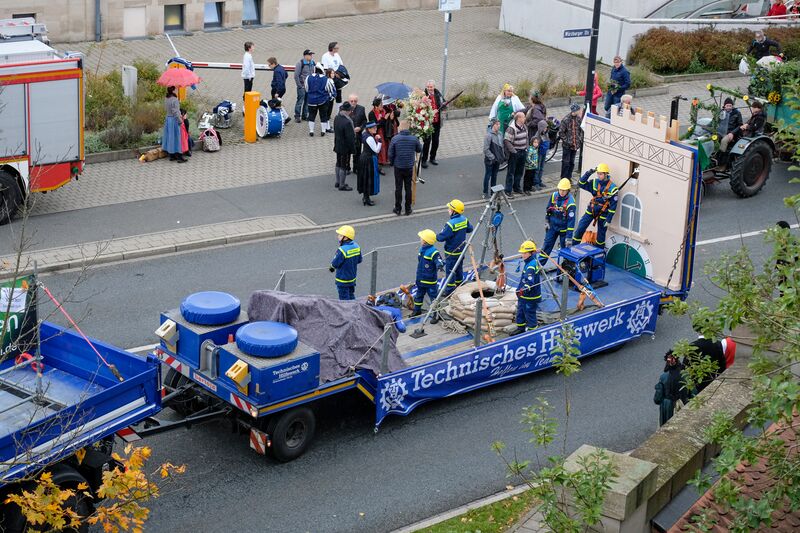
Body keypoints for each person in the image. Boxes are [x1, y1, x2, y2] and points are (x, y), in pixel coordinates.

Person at [572, 164, 619, 248]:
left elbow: (613, 207)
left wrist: (609, 219)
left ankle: (598, 253)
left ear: (606, 174)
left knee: (601, 235)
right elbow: (581, 183)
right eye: (598, 173)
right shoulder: (594, 182)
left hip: (603, 213)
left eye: (601, 174)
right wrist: (589, 172)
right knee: (580, 228)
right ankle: (573, 246)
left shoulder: (613, 188)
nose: (599, 175)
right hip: (592, 209)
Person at [436, 199, 473, 295]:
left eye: (449, 208)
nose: (448, 210)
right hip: (461, 251)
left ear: (454, 211)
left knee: (450, 271)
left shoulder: (450, 224)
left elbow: (441, 237)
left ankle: (449, 290)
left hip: (451, 252)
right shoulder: (464, 219)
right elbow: (470, 229)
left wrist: (435, 236)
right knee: (459, 268)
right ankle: (460, 285)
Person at [389, 120, 422, 216]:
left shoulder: (395, 139)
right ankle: (408, 209)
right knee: (408, 188)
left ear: (400, 128)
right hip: (409, 166)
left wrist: (392, 163)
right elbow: (419, 149)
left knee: (398, 188)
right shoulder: (414, 139)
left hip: (398, 166)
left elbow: (391, 153)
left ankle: (398, 208)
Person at [539, 179, 576, 265]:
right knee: (546, 246)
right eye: (560, 189)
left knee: (566, 250)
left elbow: (571, 222)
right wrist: (546, 221)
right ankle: (540, 265)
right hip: (552, 227)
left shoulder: (571, 204)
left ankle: (567, 267)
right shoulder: (554, 196)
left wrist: (569, 237)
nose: (562, 192)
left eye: (564, 190)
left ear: (568, 190)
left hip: (564, 230)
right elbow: (548, 209)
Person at [411, 229, 444, 319]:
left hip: (429, 280)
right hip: (420, 278)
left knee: (433, 297)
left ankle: (436, 314)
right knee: (419, 295)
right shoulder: (422, 249)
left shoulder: (433, 252)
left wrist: (440, 265)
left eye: (421, 238)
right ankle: (417, 310)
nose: (420, 240)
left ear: (425, 241)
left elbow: (438, 260)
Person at [654, 351, 690, 426]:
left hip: (668, 406)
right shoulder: (685, 375)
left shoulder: (663, 377)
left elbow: (657, 399)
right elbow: (693, 393)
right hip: (683, 403)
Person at [513, 240, 541, 335]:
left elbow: (530, 281)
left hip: (530, 296)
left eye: (525, 253)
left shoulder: (531, 266)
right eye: (522, 253)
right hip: (524, 296)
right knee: (520, 312)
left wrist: (523, 290)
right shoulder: (529, 262)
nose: (523, 255)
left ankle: (532, 332)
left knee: (530, 314)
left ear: (531, 253)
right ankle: (520, 328)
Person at [329, 225, 362, 300]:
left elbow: (335, 263)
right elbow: (359, 260)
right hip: (352, 278)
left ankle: (347, 311)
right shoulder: (357, 246)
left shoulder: (342, 250)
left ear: (346, 237)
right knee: (351, 295)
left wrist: (331, 267)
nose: (338, 236)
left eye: (340, 235)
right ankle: (355, 309)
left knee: (344, 300)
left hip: (342, 280)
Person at [305, 64, 335, 136]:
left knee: (312, 115)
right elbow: (330, 90)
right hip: (323, 100)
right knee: (323, 115)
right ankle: (323, 131)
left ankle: (311, 131)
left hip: (311, 101)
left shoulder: (308, 77)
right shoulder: (326, 79)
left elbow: (306, 88)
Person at [356, 122, 381, 206]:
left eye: (375, 127)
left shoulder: (365, 134)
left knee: (365, 178)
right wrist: (380, 141)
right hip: (369, 160)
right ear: (369, 129)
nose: (376, 129)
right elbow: (376, 150)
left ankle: (365, 197)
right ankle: (367, 198)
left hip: (364, 158)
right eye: (374, 128)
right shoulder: (370, 138)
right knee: (369, 178)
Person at [504, 111, 528, 198]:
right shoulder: (511, 129)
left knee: (520, 171)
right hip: (515, 153)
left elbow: (526, 138)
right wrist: (514, 151)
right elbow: (506, 141)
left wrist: (526, 148)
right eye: (523, 117)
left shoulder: (524, 127)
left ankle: (516, 187)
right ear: (519, 118)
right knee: (511, 172)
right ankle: (508, 190)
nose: (525, 118)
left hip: (523, 151)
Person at [422, 79, 444, 169]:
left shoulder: (438, 93)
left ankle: (432, 158)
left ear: (434, 87)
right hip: (428, 123)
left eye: (431, 87)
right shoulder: (423, 95)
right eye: (428, 87)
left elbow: (443, 102)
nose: (429, 88)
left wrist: (444, 105)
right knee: (427, 142)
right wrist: (430, 112)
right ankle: (424, 160)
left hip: (437, 122)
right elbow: (421, 109)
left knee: (436, 141)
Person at [333, 101, 355, 191]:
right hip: (345, 147)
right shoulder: (347, 122)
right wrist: (353, 149)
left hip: (338, 144)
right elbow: (350, 138)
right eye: (350, 110)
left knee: (338, 163)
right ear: (348, 111)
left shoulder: (337, 118)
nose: (351, 112)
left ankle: (337, 182)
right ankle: (342, 184)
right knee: (344, 165)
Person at [558, 103, 583, 181]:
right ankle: (563, 178)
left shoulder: (579, 119)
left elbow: (581, 130)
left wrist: (579, 139)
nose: (579, 111)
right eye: (578, 109)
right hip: (567, 146)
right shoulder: (566, 120)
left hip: (575, 145)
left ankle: (569, 177)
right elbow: (561, 132)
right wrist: (568, 141)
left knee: (572, 162)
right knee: (566, 162)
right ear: (574, 110)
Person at [483, 118, 505, 199]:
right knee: (488, 175)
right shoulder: (488, 135)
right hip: (490, 160)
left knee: (494, 175)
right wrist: (492, 157)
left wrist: (501, 156)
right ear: (493, 125)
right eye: (497, 124)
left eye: (499, 124)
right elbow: (485, 149)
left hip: (497, 160)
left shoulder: (500, 134)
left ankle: (493, 192)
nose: (498, 126)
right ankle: (485, 192)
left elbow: (501, 146)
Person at [162, 86, 186, 163]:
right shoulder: (174, 100)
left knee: (170, 137)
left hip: (168, 119)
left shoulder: (166, 98)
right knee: (177, 137)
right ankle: (179, 156)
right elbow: (175, 112)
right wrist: (180, 121)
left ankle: (172, 155)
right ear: (174, 90)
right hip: (174, 120)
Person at [321, 42, 343, 113]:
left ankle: (338, 113)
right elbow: (325, 69)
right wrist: (333, 74)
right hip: (330, 79)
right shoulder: (325, 56)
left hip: (338, 78)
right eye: (337, 48)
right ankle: (328, 113)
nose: (338, 49)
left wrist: (339, 73)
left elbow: (341, 64)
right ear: (332, 48)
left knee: (339, 96)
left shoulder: (337, 55)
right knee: (331, 97)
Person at [294, 49, 315, 123]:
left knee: (307, 102)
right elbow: (296, 76)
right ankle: (297, 116)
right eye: (310, 55)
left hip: (309, 86)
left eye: (311, 55)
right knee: (300, 101)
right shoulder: (300, 63)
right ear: (305, 55)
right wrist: (300, 85)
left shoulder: (312, 63)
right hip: (302, 86)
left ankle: (304, 115)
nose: (311, 56)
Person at [349, 94, 368, 173]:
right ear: (349, 101)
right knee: (348, 152)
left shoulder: (361, 109)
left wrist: (360, 128)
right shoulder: (344, 109)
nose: (353, 102)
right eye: (352, 101)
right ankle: (347, 167)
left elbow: (364, 121)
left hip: (358, 135)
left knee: (357, 152)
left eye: (355, 101)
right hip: (348, 135)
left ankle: (356, 168)